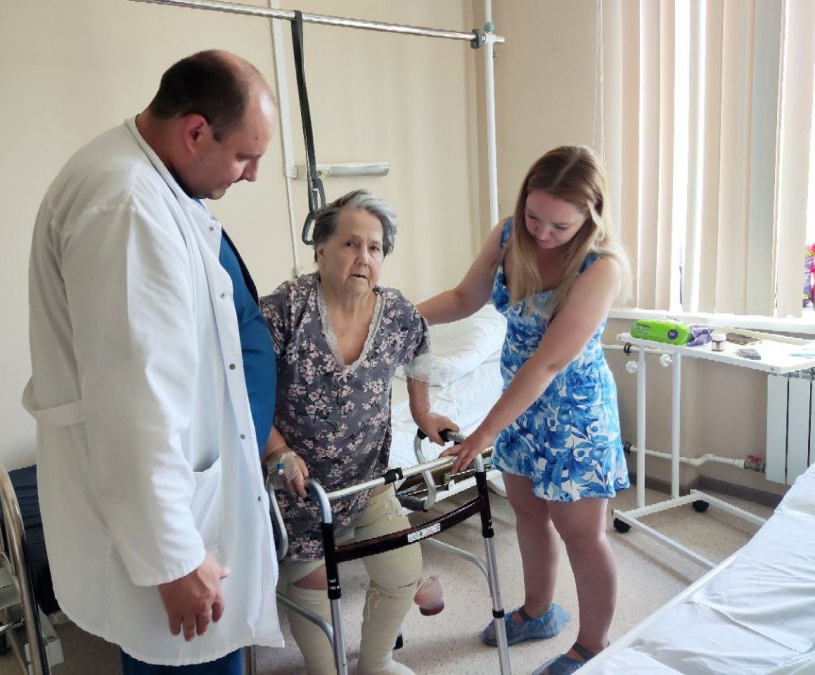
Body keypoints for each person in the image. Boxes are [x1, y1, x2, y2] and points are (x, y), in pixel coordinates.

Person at [22, 50, 283, 674]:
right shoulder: (128, 206)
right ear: (195, 132)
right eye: (244, 155)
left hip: (182, 499)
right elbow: (132, 402)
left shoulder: (152, 180)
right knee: (190, 660)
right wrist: (175, 558)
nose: (252, 175)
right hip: (168, 535)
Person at [418, 146, 632, 675]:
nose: (542, 233)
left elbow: (548, 363)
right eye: (535, 217)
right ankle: (538, 611)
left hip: (576, 415)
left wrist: (484, 431)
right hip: (520, 407)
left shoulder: (602, 267)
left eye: (560, 225)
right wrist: (393, 316)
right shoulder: (510, 234)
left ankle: (593, 646)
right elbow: (464, 298)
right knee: (529, 514)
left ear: (591, 216)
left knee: (580, 532)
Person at [259, 189, 457, 675]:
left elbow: (421, 350)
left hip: (366, 482)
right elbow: (242, 388)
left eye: (374, 247)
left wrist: (423, 413)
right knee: (312, 592)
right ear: (320, 251)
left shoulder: (396, 313)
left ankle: (376, 663)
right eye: (350, 244)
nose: (363, 257)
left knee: (402, 573)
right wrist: (278, 450)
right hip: (298, 492)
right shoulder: (285, 309)